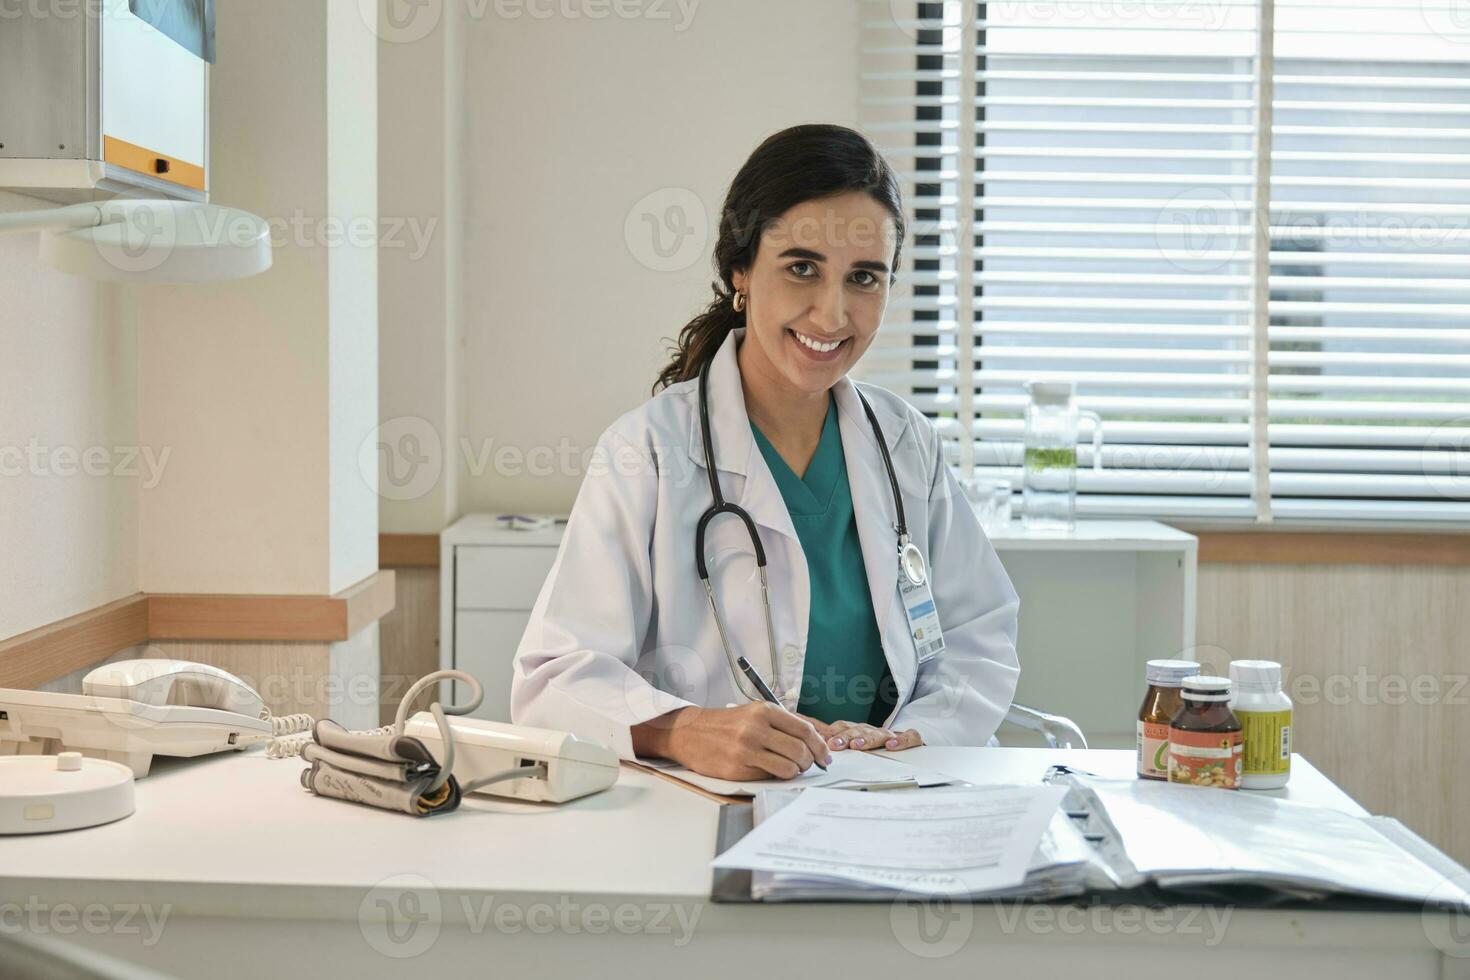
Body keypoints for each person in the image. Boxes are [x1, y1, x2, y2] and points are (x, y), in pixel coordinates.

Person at [511, 123, 1020, 781]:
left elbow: (979, 636)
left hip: (886, 793)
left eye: (864, 278)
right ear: (740, 271)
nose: (833, 315)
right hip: (706, 804)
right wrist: (685, 731)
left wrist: (911, 736)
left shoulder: (905, 443)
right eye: (801, 267)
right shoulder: (651, 451)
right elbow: (552, 678)